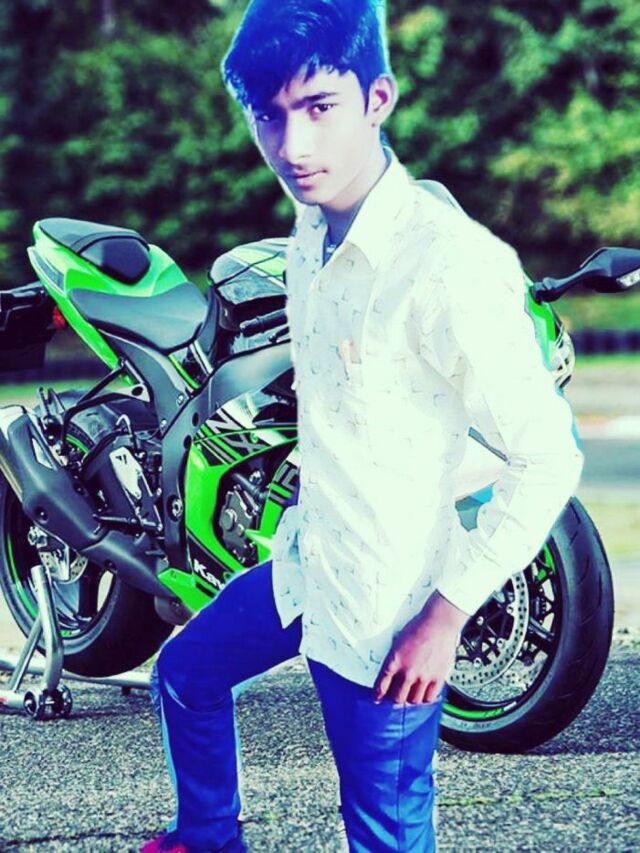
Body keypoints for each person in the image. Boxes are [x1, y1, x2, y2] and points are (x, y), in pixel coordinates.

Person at [142, 1, 583, 850]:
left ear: (378, 98)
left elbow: (547, 457)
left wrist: (446, 616)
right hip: (308, 566)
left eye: (318, 108)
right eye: (269, 116)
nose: (292, 146)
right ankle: (207, 835)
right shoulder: (310, 234)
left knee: (382, 830)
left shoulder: (450, 266)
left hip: (390, 615)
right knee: (186, 674)